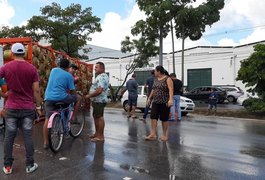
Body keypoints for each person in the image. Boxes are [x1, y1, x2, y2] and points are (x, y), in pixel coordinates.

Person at [0, 43, 42, 174]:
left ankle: (7, 167)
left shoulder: (5, 67)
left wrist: (3, 94)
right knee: (28, 136)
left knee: (9, 137)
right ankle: (30, 165)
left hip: (11, 108)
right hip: (27, 108)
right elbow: (36, 90)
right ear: (24, 53)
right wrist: (39, 106)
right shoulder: (32, 69)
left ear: (12, 54)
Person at [43, 59, 79, 149]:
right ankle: (73, 117)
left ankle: (45, 142)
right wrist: (75, 94)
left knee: (47, 119)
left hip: (48, 98)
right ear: (68, 67)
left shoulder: (53, 70)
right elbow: (72, 90)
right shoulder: (69, 76)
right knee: (78, 99)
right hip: (62, 98)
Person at [145, 65, 173, 141]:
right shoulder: (156, 79)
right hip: (156, 101)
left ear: (159, 71)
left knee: (164, 119)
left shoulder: (168, 79)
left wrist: (170, 100)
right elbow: (153, 90)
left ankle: (164, 135)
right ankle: (153, 134)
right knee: (153, 117)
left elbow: (171, 90)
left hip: (164, 102)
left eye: (155, 71)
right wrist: (149, 98)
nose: (154, 72)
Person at [85, 62, 109, 142]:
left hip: (99, 100)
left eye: (97, 67)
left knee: (99, 117)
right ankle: (97, 133)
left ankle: (101, 136)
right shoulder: (100, 76)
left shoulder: (102, 77)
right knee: (96, 117)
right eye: (95, 67)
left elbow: (99, 90)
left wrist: (89, 95)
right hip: (97, 100)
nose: (95, 68)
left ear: (102, 68)